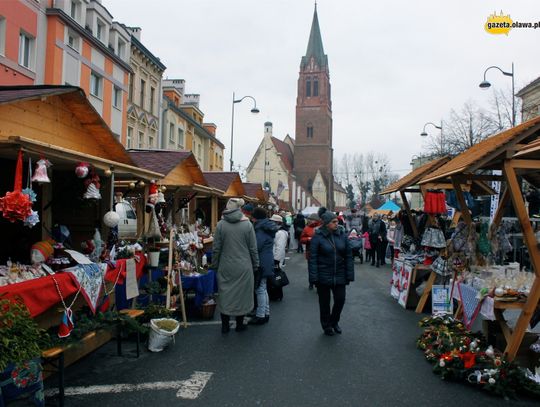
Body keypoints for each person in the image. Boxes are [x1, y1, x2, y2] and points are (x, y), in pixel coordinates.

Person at [212, 198, 259, 334]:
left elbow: (216, 248)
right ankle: (239, 324)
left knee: (225, 294)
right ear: (239, 209)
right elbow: (253, 248)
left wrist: (215, 264)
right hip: (244, 266)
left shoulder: (221, 224)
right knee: (241, 295)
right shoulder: (247, 224)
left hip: (225, 265)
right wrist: (256, 264)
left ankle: (225, 326)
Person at [309, 211, 354, 336]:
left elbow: (349, 256)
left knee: (340, 299)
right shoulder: (317, 237)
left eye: (337, 221)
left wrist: (349, 275)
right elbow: (313, 258)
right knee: (324, 303)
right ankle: (326, 326)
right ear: (326, 224)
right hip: (323, 274)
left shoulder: (342, 235)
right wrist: (314, 277)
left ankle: (334, 321)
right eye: (333, 222)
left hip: (339, 273)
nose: (337, 223)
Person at [250, 207, 278, 325]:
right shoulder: (267, 227)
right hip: (267, 260)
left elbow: (256, 247)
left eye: (252, 217)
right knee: (263, 288)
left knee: (259, 289)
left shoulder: (260, 229)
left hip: (261, 262)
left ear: (255, 218)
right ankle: (265, 312)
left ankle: (260, 315)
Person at [300, 213, 322, 289]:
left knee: (320, 268)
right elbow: (302, 239)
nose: (308, 221)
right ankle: (311, 282)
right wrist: (308, 239)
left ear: (315, 220)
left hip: (321, 252)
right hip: (310, 251)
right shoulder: (306, 228)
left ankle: (318, 283)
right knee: (311, 268)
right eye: (308, 219)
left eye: (310, 219)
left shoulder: (321, 227)